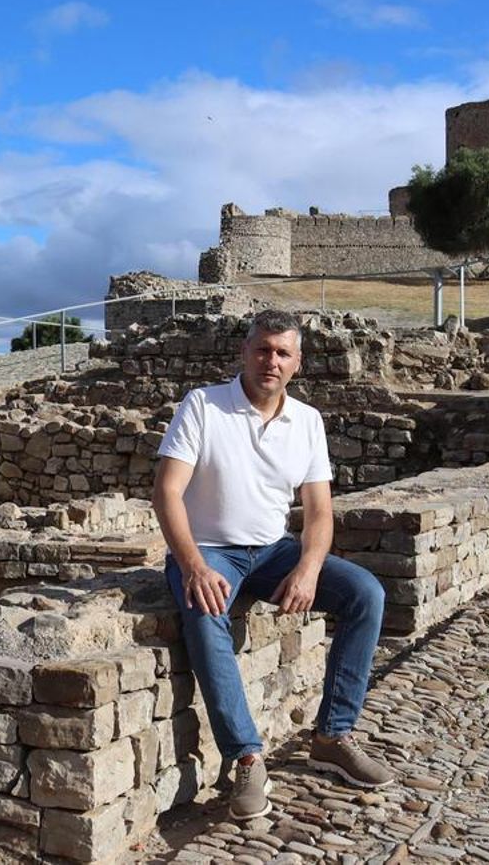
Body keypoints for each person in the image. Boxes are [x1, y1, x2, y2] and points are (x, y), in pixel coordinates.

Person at [153, 309, 393, 821]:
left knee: (364, 594)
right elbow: (167, 492)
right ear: (245, 352)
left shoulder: (306, 421)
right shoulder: (204, 405)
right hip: (209, 549)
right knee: (203, 610)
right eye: (263, 349)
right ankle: (245, 754)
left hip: (272, 549)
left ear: (297, 362)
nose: (271, 361)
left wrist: (307, 569)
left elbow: (320, 512)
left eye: (283, 352)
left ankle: (332, 735)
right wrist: (193, 564)